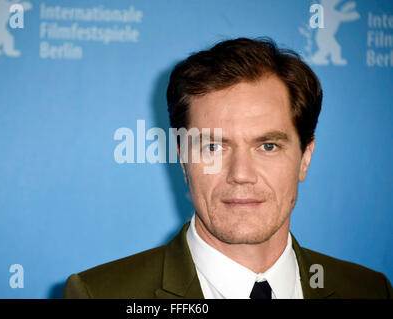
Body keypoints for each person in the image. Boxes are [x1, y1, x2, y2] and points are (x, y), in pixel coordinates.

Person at [62, 37, 392, 299]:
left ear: (305, 156)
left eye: (268, 146)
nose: (241, 174)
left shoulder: (369, 290)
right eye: (213, 147)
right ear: (183, 158)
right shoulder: (101, 295)